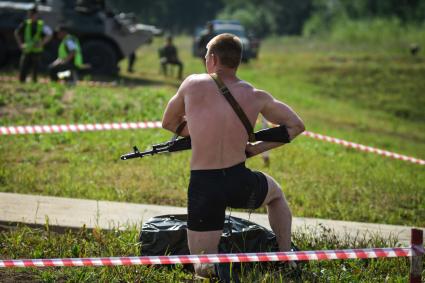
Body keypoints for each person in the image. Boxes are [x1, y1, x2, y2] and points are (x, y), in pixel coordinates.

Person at [162, 33, 305, 278]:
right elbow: (296, 126)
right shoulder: (255, 95)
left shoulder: (192, 84)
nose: (205, 58)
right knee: (276, 196)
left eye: (206, 54)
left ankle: (207, 272)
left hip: (204, 185)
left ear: (213, 59)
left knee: (202, 267)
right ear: (237, 61)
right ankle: (285, 259)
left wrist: (199, 129)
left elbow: (168, 122)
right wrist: (255, 148)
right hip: (239, 181)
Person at [14, 6, 52, 83]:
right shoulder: (26, 23)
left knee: (35, 68)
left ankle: (34, 82)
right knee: (23, 67)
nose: (30, 16)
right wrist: (20, 44)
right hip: (27, 49)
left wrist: (42, 43)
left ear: (36, 15)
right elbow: (17, 33)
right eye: (29, 15)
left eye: (32, 15)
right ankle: (22, 82)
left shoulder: (41, 24)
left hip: (36, 50)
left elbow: (49, 34)